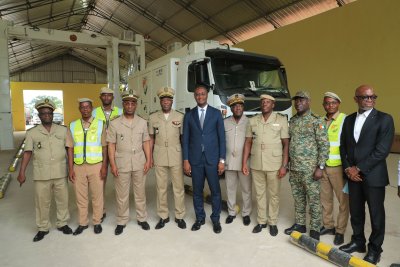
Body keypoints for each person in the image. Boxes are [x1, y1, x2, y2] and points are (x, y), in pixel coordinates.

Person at [339, 85, 394, 264]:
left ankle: (375, 250)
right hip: (353, 176)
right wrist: (348, 169)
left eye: (372, 97)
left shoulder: (384, 119)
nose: (369, 100)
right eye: (365, 97)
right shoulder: (348, 120)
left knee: (376, 215)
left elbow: (382, 151)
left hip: (373, 176)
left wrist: (358, 168)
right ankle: (358, 241)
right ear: (356, 99)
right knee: (356, 212)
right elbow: (343, 147)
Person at [17, 98, 73, 242]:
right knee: (42, 202)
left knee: (63, 200)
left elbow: (69, 149)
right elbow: (28, 152)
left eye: (49, 113)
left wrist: (71, 169)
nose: (46, 115)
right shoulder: (32, 133)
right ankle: (43, 227)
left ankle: (62, 223)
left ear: (53, 114)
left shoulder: (63, 130)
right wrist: (21, 172)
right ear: (39, 115)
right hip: (41, 174)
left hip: (60, 172)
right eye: (43, 113)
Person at [284, 91, 329, 241]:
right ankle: (300, 224)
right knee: (298, 198)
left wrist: (320, 167)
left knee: (314, 199)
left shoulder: (317, 120)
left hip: (311, 169)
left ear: (309, 102)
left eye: (302, 100)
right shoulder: (293, 120)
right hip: (295, 168)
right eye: (296, 100)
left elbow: (324, 145)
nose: (298, 103)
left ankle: (315, 228)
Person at [242, 94, 289, 236]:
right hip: (256, 163)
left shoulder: (280, 120)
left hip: (274, 164)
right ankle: (261, 221)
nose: (264, 104)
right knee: (260, 194)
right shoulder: (253, 120)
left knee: (273, 195)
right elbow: (248, 142)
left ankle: (272, 222)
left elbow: (286, 144)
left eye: (268, 102)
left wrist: (284, 166)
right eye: (262, 102)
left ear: (273, 105)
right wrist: (244, 162)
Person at [107, 89, 152, 235]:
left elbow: (146, 142)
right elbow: (111, 145)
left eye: (133, 103)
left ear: (136, 105)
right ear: (123, 105)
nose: (130, 105)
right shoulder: (114, 124)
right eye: (127, 103)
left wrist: (149, 159)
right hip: (122, 162)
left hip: (139, 161)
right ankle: (121, 220)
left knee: (140, 192)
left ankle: (142, 218)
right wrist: (112, 164)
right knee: (122, 194)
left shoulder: (142, 122)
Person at [182, 84, 226, 234]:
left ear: (207, 95)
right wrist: (186, 160)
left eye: (202, 94)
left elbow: (222, 139)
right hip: (195, 161)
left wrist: (222, 160)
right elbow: (185, 140)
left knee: (215, 191)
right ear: (194, 96)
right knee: (197, 192)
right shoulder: (189, 115)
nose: (200, 96)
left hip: (212, 160)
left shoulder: (216, 114)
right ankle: (199, 218)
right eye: (197, 94)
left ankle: (215, 219)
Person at [68, 98, 107, 235]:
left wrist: (104, 167)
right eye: (82, 107)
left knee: (97, 196)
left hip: (96, 165)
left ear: (92, 108)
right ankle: (83, 223)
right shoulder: (73, 125)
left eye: (88, 107)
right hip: (78, 167)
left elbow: (104, 147)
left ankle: (97, 222)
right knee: (81, 197)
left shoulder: (101, 124)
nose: (85, 109)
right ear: (79, 109)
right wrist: (70, 168)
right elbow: (70, 148)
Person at [149, 87, 186, 230]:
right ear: (160, 101)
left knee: (178, 187)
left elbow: (183, 138)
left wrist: (185, 158)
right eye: (163, 100)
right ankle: (163, 216)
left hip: (176, 154)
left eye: (168, 99)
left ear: (172, 101)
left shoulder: (179, 116)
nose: (166, 102)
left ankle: (180, 216)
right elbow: (151, 138)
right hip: (159, 155)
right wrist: (150, 157)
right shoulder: (153, 117)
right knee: (161, 187)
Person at [320, 92, 349, 246]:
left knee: (343, 201)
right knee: (325, 199)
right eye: (327, 103)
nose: (330, 105)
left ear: (338, 103)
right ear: (323, 105)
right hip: (323, 166)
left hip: (338, 168)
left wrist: (348, 167)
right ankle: (328, 225)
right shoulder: (322, 121)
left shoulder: (345, 119)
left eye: (333, 103)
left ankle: (340, 231)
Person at [92, 86, 122, 222]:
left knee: (121, 180)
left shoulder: (120, 111)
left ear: (113, 98)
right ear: (100, 97)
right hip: (101, 150)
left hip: (118, 149)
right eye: (103, 95)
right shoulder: (94, 113)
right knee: (100, 182)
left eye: (109, 95)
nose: (106, 98)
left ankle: (122, 210)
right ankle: (101, 210)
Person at [223, 94, 252, 226]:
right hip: (229, 161)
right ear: (231, 108)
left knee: (246, 188)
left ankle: (246, 213)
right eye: (235, 106)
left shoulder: (250, 122)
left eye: (240, 106)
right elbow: (222, 142)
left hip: (244, 161)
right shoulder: (225, 122)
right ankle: (231, 212)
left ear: (243, 107)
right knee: (230, 188)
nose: (238, 108)